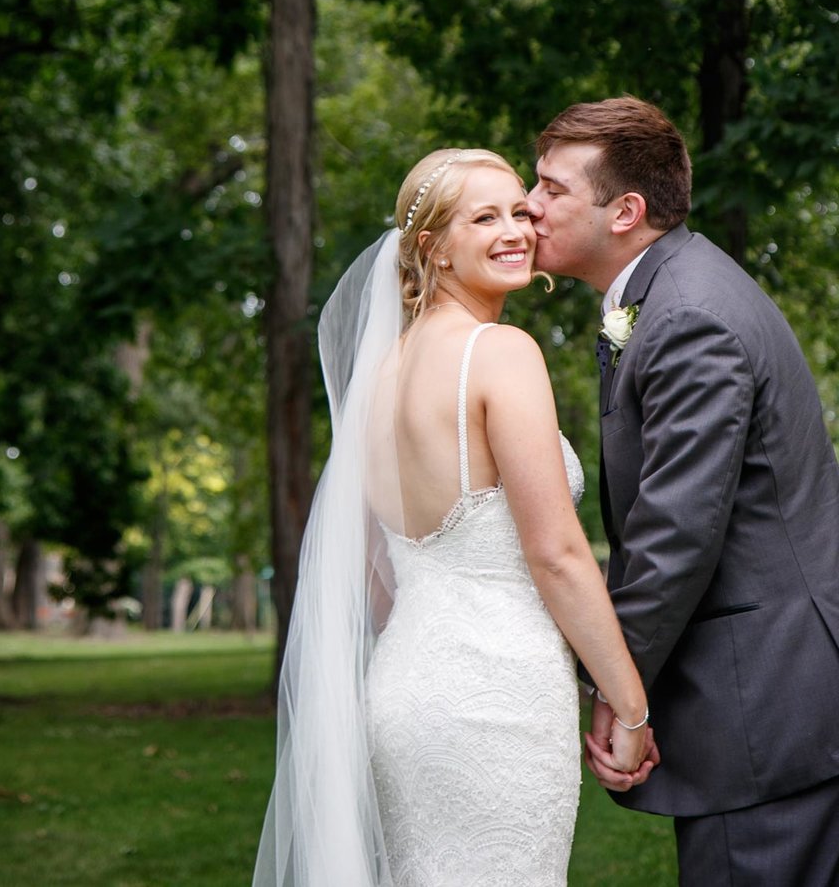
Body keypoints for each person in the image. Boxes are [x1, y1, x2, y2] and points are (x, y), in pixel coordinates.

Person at [253, 147, 654, 887]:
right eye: (484, 217)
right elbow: (558, 555)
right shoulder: (500, 353)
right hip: (497, 699)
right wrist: (628, 706)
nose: (516, 231)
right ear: (431, 248)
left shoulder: (378, 377)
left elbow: (375, 575)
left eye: (519, 211)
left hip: (405, 689)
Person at [527, 96, 839, 886]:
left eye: (552, 189)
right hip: (775, 690)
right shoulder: (669, 294)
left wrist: (616, 690)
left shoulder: (687, 316)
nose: (530, 207)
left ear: (626, 211)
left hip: (766, 703)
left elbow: (676, 533)